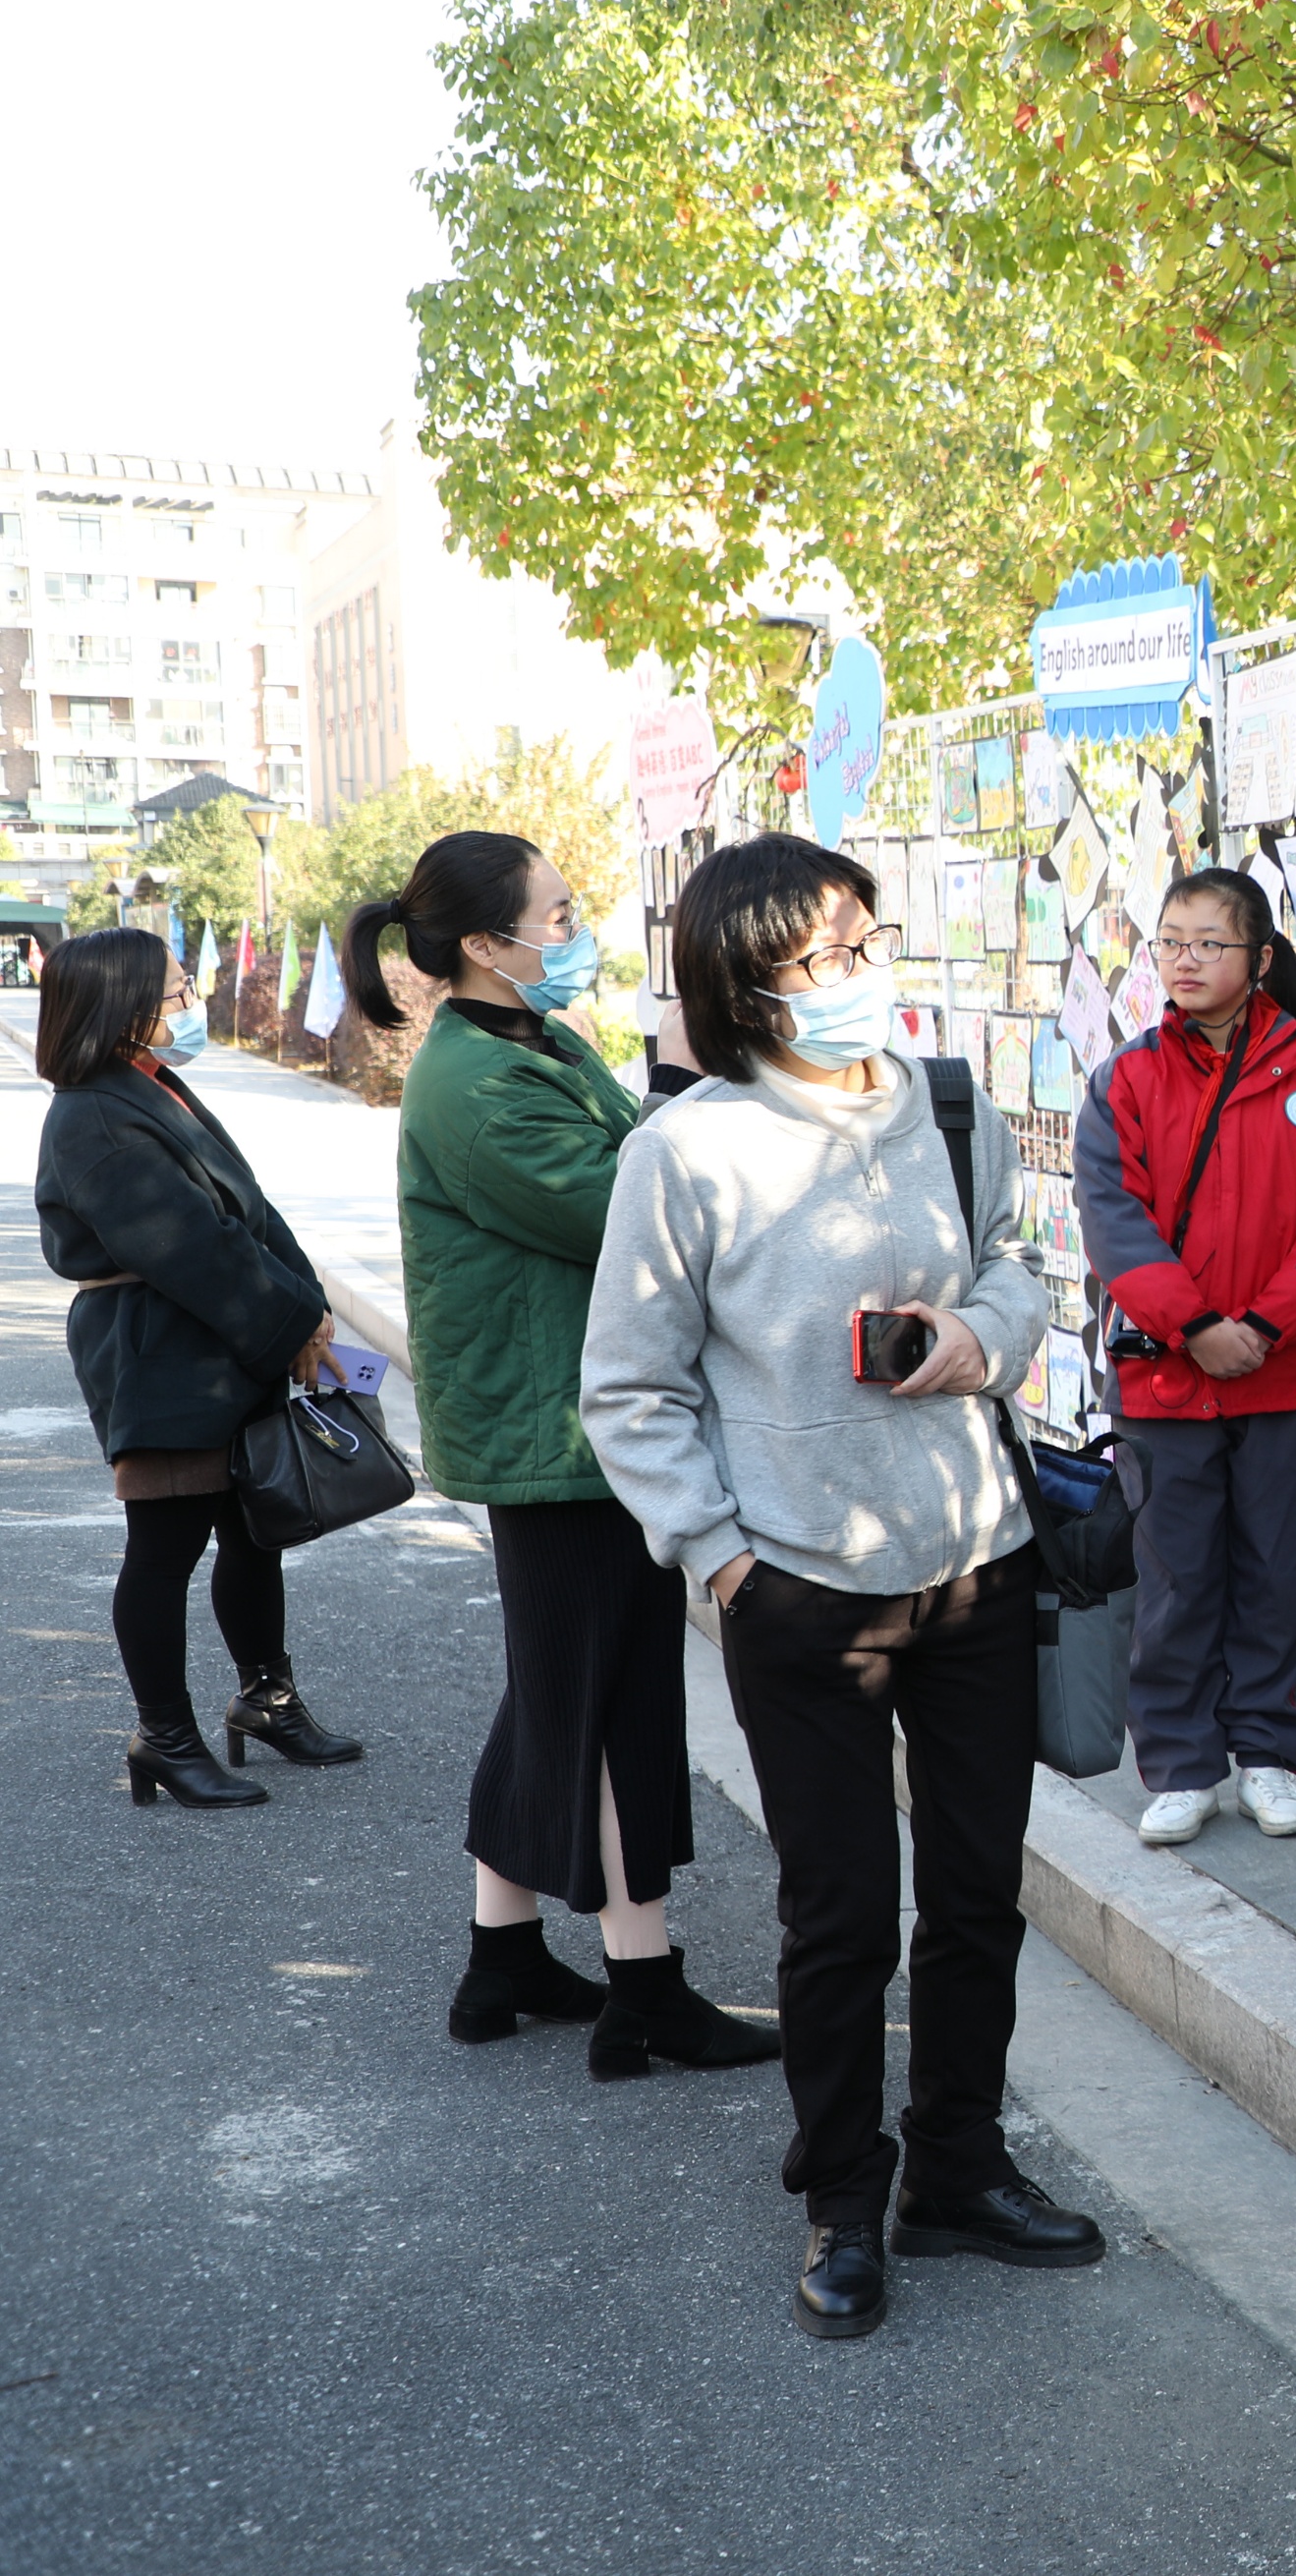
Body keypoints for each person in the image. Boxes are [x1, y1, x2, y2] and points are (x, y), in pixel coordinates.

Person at [583, 833, 1104, 2341]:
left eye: (865, 940)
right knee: (837, 1914)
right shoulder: (684, 1151)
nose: (855, 976)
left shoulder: (947, 1106)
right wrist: (722, 1554)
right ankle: (840, 2197)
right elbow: (629, 1385)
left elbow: (1018, 1266)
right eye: (817, 958)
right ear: (743, 985)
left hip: (977, 1559)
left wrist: (979, 1335)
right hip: (799, 1583)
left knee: (978, 1893)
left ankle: (956, 2164)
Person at [348, 830, 778, 2079]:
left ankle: (504, 1956)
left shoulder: (521, 1039)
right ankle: (644, 1985)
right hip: (562, 1427)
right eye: (559, 911)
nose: (577, 927)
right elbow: (624, 1210)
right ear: (485, 946)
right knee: (606, 1702)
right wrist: (690, 1084)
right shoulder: (476, 1082)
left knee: (553, 1684)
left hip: (571, 1415)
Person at [1075, 867, 1296, 1848]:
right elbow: (1111, 1221)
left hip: (1282, 1377)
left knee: (1281, 1570)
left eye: (1209, 941)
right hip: (1165, 1379)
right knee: (1175, 1578)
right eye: (1171, 940)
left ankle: (1266, 1755)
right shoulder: (1125, 1080)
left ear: (1260, 961)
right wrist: (1196, 1326)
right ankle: (1179, 1763)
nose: (1187, 959)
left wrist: (1266, 1327)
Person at [29, 928, 355, 1807]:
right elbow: (191, 1247)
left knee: (254, 1532)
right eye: (176, 993)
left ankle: (267, 1699)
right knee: (164, 1547)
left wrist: (311, 1303)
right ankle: (164, 1735)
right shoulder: (92, 1111)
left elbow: (249, 1210)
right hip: (157, 1349)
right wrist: (290, 1321)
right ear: (121, 1005)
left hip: (218, 1339)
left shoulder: (152, 1084)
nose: (190, 1004)